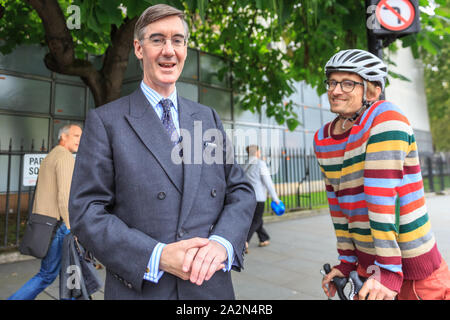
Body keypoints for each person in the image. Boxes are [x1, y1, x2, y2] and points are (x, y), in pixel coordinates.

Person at [68, 4, 256, 300]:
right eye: (157, 39)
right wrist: (157, 256)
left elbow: (241, 190)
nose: (169, 50)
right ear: (139, 49)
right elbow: (86, 212)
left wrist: (223, 242)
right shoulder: (106, 122)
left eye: (177, 40)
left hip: (210, 290)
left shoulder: (207, 118)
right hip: (142, 290)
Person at [315, 49, 450, 300]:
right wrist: (346, 263)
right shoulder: (323, 138)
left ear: (373, 90)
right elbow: (339, 209)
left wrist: (388, 271)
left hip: (412, 268)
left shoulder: (386, 118)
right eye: (332, 82)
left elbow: (381, 197)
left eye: (347, 83)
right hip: (369, 267)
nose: (334, 90)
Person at [8, 124, 82, 300]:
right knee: (50, 274)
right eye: (76, 135)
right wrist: (72, 226)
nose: (80, 140)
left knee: (68, 274)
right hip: (61, 225)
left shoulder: (51, 155)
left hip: (50, 223)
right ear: (63, 137)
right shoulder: (65, 158)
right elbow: (65, 196)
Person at [242, 145, 280, 251]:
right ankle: (244, 242)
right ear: (257, 152)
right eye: (259, 151)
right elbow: (268, 182)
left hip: (247, 197)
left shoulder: (244, 165)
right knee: (256, 220)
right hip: (258, 197)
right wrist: (275, 198)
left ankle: (264, 238)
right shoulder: (260, 164)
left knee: (257, 219)